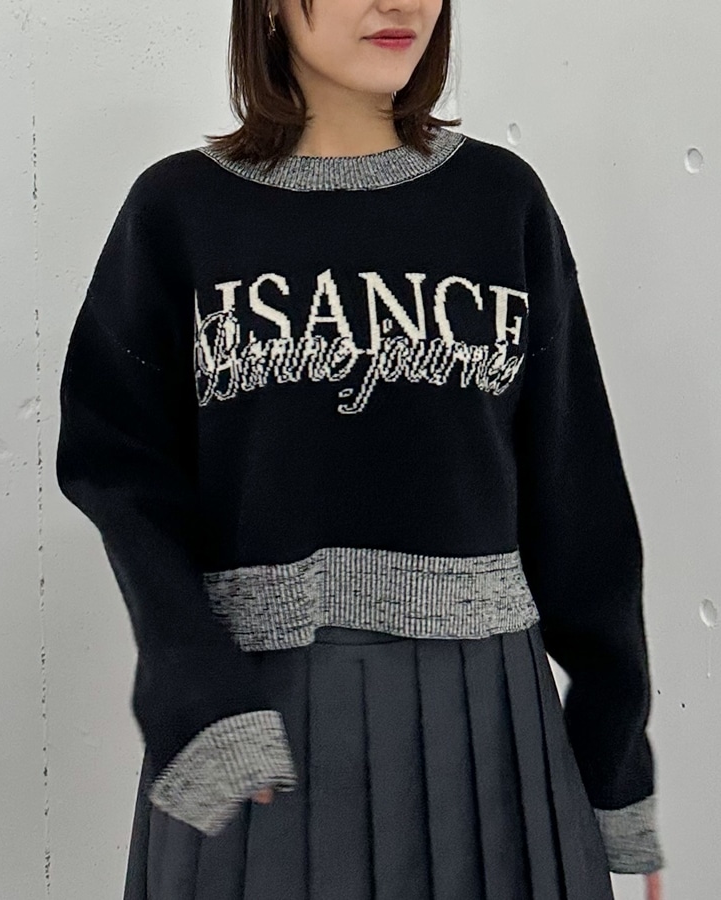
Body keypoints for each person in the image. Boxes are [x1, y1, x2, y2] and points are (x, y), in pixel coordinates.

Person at [56, 1, 666, 897]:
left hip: (489, 727)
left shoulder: (501, 200)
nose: (400, 3)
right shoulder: (178, 210)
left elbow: (581, 498)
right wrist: (192, 686)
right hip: (253, 726)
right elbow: (117, 472)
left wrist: (615, 767)